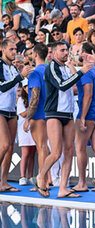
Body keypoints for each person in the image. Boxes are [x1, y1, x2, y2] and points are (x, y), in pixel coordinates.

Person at [33, 41, 94, 198]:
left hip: (67, 113)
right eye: (62, 50)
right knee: (56, 152)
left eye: (66, 50)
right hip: (54, 113)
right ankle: (42, 176)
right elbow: (62, 85)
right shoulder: (51, 67)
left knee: (69, 151)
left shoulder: (65, 68)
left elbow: (70, 87)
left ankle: (63, 188)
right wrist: (81, 73)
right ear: (53, 53)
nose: (66, 52)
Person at [71, 42, 95, 193]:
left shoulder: (87, 70)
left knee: (80, 148)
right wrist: (70, 66)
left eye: (80, 52)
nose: (79, 55)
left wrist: (83, 116)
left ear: (88, 53)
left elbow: (88, 93)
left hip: (89, 113)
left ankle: (82, 183)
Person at [0, 38, 33, 192]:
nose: (14, 52)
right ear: (3, 49)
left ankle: (4, 182)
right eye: (11, 49)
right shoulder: (0, 65)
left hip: (11, 111)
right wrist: (20, 76)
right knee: (4, 144)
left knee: (10, 147)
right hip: (0, 109)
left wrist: (23, 73)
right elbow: (2, 87)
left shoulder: (13, 68)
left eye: (15, 49)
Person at [23, 43, 50, 191]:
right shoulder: (51, 69)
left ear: (35, 55)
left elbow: (35, 97)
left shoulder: (35, 73)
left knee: (42, 147)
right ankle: (44, 180)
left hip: (39, 114)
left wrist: (27, 118)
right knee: (45, 147)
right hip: (51, 113)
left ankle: (43, 181)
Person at [17, 80, 36, 186]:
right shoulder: (21, 99)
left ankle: (30, 176)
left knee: (32, 153)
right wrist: (34, 109)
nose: (28, 88)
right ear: (24, 88)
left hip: (34, 127)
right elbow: (23, 114)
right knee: (25, 153)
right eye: (26, 86)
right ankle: (22, 176)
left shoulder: (35, 98)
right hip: (24, 129)